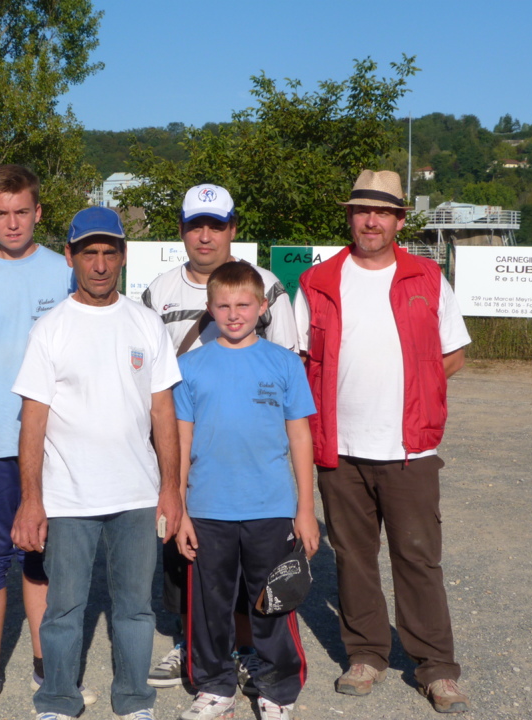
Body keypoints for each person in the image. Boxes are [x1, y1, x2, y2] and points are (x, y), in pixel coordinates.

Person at [294, 170, 472, 714]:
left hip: (408, 450)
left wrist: (414, 393)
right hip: (339, 448)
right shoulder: (318, 281)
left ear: (398, 220)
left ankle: (435, 667)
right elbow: (301, 360)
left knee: (418, 558)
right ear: (350, 217)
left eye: (383, 212)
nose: (371, 221)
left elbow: (453, 353)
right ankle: (366, 654)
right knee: (352, 558)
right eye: (361, 211)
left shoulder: (426, 277)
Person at [10, 206, 183, 720]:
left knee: (135, 609)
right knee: (63, 609)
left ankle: (134, 701)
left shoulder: (146, 323)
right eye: (90, 253)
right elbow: (33, 422)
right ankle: (58, 700)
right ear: (71, 256)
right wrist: (31, 500)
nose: (101, 264)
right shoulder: (51, 330)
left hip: (135, 494)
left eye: (111, 253)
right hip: (68, 497)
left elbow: (163, 412)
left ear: (124, 257)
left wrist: (171, 489)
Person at [0, 165, 93, 718]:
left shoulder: (64, 273)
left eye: (22, 212)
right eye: (1, 214)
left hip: (55, 441)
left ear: (39, 213)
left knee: (45, 556)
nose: (13, 223)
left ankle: (45, 667)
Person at [141, 183, 298, 690]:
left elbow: (286, 369)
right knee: (182, 553)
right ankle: (193, 642)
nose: (205, 235)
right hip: (178, 443)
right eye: (194, 225)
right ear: (182, 230)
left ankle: (248, 646)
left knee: (250, 562)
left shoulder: (269, 287)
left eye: (216, 225)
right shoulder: (157, 290)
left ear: (233, 228)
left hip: (250, 463)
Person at [173, 261, 318, 720]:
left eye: (243, 304)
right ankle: (215, 685)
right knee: (209, 605)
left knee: (272, 601)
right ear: (209, 308)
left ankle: (277, 689)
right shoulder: (189, 367)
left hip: (270, 507)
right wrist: (179, 509)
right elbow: (180, 442)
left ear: (261, 307)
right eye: (223, 305)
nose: (234, 314)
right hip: (208, 508)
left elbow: (300, 436)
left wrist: (306, 509)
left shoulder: (283, 363)